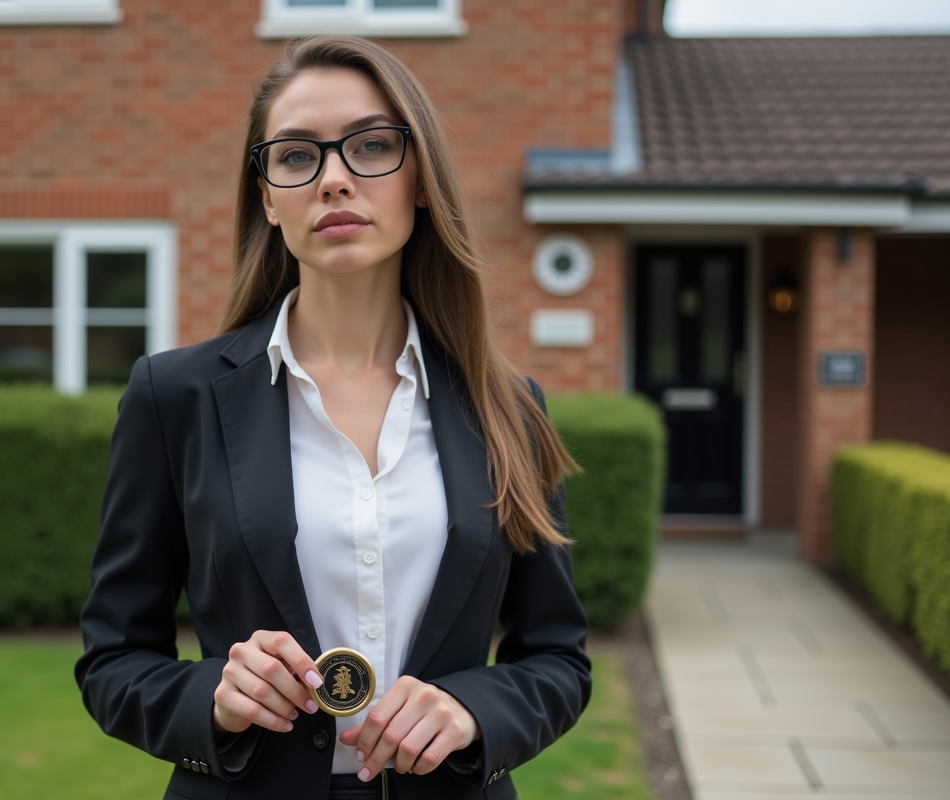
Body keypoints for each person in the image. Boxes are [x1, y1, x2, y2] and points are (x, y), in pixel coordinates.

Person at [75, 35, 591, 800]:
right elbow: (113, 661)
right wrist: (213, 698)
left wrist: (473, 709)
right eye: (296, 157)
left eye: (372, 146)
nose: (336, 179)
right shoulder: (172, 395)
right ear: (267, 197)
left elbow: (557, 657)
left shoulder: (506, 407)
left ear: (420, 179)